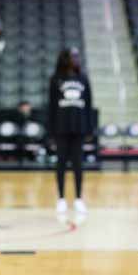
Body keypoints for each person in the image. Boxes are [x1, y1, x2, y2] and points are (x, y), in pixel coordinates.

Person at [47, 48, 93, 224]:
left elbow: (89, 105)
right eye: (72, 56)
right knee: (61, 163)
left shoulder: (83, 79)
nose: (76, 59)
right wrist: (50, 131)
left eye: (77, 56)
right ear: (64, 59)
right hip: (61, 127)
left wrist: (89, 128)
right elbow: (51, 107)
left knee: (78, 164)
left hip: (79, 127)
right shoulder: (55, 80)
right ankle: (61, 199)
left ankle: (79, 199)